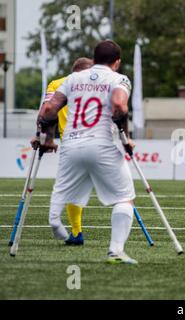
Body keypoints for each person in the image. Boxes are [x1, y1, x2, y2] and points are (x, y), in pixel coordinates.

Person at [37, 40, 138, 264]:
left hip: (71, 145)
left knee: (65, 192)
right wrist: (125, 138)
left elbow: (49, 109)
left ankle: (56, 221)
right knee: (124, 198)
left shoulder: (73, 79)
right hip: (102, 145)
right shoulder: (119, 78)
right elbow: (119, 105)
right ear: (117, 62)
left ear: (94, 59)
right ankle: (115, 251)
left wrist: (48, 138)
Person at [43, 57, 93, 245]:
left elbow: (47, 110)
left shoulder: (56, 84)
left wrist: (44, 138)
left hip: (71, 144)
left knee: (71, 188)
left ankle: (74, 231)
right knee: (121, 191)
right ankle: (116, 245)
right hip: (98, 142)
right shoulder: (97, 84)